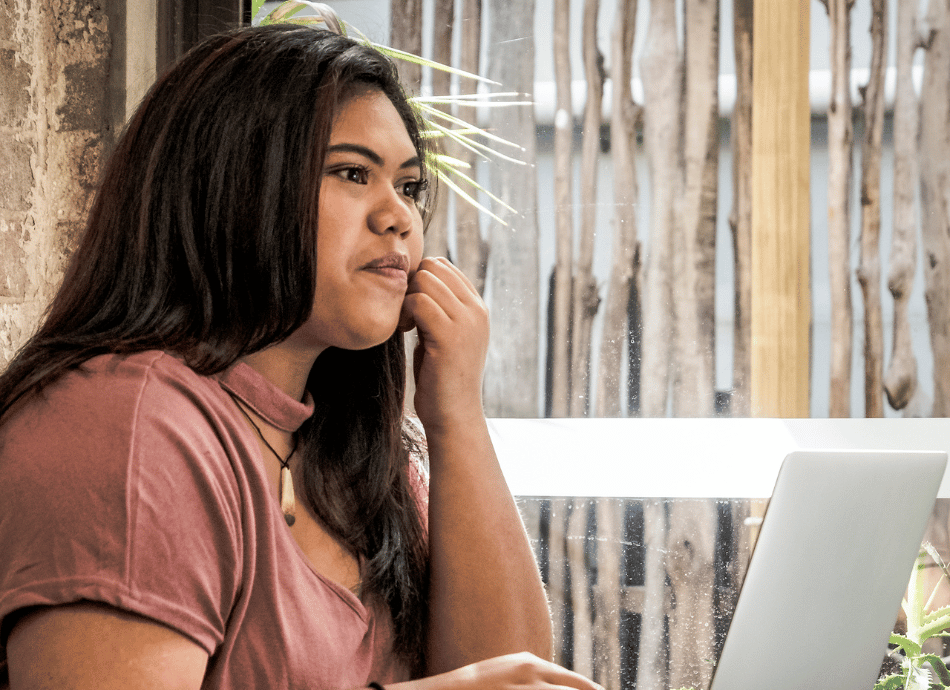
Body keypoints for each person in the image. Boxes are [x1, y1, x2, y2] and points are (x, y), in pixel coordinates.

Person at [0, 22, 602, 690]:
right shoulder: (124, 426)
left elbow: (516, 676)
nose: (398, 217)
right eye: (352, 174)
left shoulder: (347, 447)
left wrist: (456, 414)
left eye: (408, 186)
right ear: (234, 186)